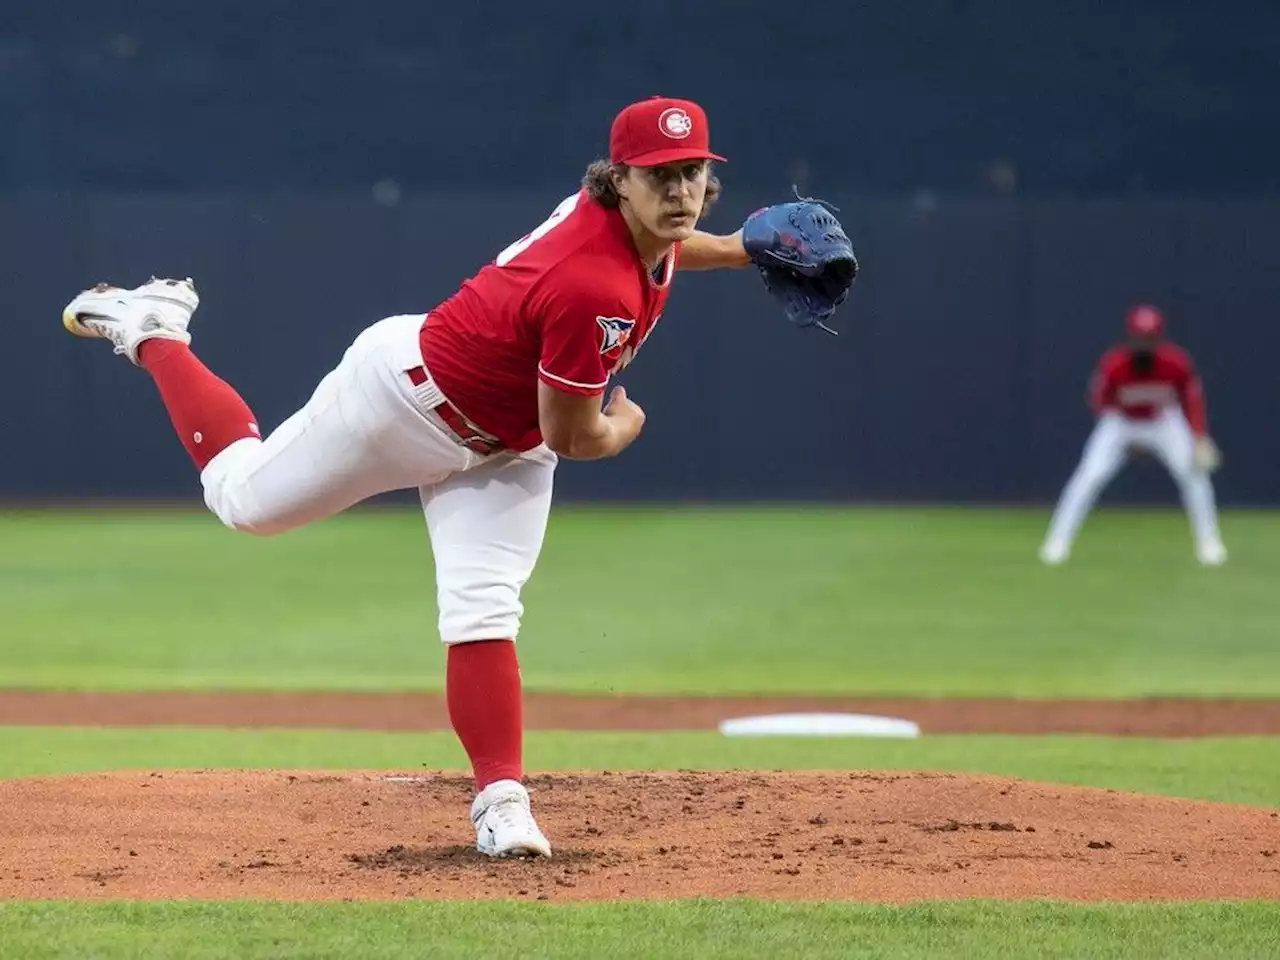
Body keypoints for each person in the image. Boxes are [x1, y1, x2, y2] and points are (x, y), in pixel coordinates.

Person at [61, 96, 856, 858]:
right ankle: (155, 327)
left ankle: (502, 804)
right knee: (242, 502)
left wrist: (746, 247)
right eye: (659, 175)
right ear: (618, 181)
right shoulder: (593, 285)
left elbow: (675, 247)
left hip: (501, 441)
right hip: (401, 403)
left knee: (482, 609)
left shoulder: (636, 235)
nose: (680, 191)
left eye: (692, 172)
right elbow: (572, 436)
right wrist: (626, 428)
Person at [1039, 303, 1226, 566]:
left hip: (1164, 421)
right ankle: (1056, 543)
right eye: (1139, 337)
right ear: (1130, 337)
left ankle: (1210, 544)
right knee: (1089, 477)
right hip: (1120, 422)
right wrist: (1129, 443)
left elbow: (1193, 399)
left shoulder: (1176, 363)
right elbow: (1099, 400)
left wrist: (1198, 435)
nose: (1144, 344)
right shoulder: (1114, 364)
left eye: (1149, 338)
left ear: (1159, 338)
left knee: (1194, 475)